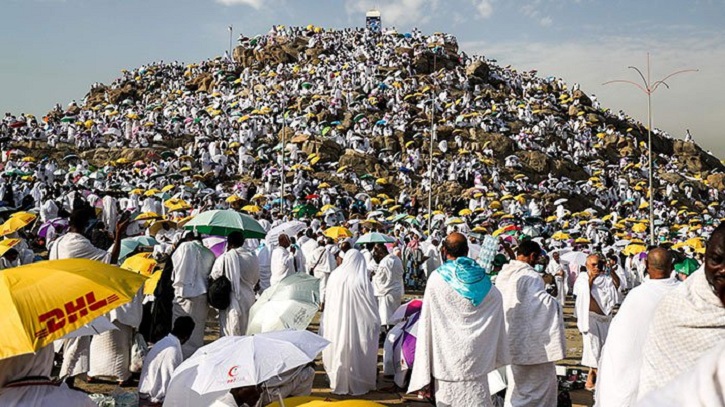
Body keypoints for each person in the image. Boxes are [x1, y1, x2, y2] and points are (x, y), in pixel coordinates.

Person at [409, 232, 510, 407]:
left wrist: (424, 368)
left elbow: (427, 322)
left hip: (446, 362)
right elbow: (497, 301)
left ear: (444, 251)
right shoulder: (484, 281)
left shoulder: (437, 279)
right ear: (467, 250)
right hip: (478, 362)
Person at [638, 224, 725, 399]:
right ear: (705, 256)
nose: (723, 270)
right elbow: (657, 384)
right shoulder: (675, 307)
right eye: (716, 260)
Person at [50, 206, 128, 387]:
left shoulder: (59, 242)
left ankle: (65, 382)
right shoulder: (78, 243)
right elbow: (110, 260)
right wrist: (118, 235)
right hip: (74, 298)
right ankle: (65, 384)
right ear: (85, 225)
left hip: (59, 295)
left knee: (67, 342)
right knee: (76, 344)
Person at [595, 247, 679, 407]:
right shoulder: (685, 293)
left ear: (646, 265)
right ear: (672, 266)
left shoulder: (637, 296)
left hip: (641, 385)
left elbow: (619, 344)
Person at [495, 240, 566, 407]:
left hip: (510, 338)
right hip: (532, 345)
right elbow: (540, 306)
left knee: (516, 386)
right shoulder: (532, 276)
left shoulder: (504, 275)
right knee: (537, 388)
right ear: (532, 255)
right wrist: (553, 299)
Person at [322, 249, 380, 395]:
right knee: (358, 350)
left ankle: (336, 378)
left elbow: (329, 302)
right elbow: (370, 306)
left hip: (336, 322)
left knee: (339, 347)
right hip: (358, 324)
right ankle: (359, 379)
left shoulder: (335, 276)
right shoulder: (361, 279)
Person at [573, 253, 620, 390]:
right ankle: (601, 383)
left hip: (606, 319)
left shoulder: (606, 277)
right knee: (594, 352)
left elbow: (617, 285)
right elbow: (582, 293)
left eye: (599, 264)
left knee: (606, 350)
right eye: (593, 264)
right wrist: (591, 278)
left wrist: (610, 271)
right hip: (591, 319)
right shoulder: (583, 278)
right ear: (587, 265)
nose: (597, 267)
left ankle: (591, 380)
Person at [171, 231, 216, 358]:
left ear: (189, 238)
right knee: (197, 332)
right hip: (202, 296)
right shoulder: (210, 253)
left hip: (184, 294)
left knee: (181, 334)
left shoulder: (185, 247)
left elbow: (176, 266)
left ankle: (180, 361)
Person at [209, 231, 260, 336]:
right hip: (248, 299)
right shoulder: (252, 257)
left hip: (230, 300)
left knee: (229, 332)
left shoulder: (225, 258)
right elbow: (256, 279)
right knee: (247, 330)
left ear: (229, 244)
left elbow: (214, 276)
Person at [138, 316, 195, 406]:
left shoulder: (164, 342)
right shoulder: (173, 350)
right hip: (153, 399)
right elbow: (170, 381)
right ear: (187, 337)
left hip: (147, 393)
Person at [371, 243, 405, 332]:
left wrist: (374, 276)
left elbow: (380, 279)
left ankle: (389, 334)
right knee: (395, 314)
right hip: (396, 290)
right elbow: (401, 272)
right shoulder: (397, 259)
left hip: (386, 292)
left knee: (387, 317)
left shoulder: (384, 262)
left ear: (381, 253)